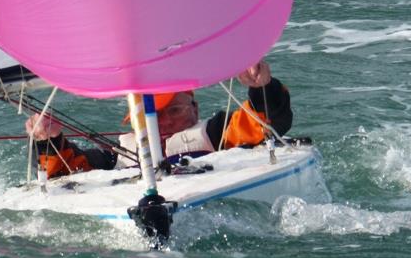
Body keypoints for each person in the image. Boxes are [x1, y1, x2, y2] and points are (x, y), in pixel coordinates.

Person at [25, 60, 292, 179]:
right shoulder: (116, 157)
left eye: (173, 111)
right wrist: (50, 139)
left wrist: (262, 87)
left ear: (194, 109)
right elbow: (63, 172)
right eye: (148, 116)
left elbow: (265, 124)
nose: (158, 123)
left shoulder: (216, 133)